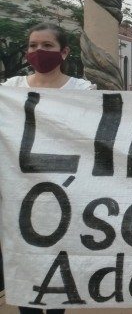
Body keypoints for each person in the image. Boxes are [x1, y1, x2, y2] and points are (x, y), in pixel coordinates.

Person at [1, 23, 95, 313]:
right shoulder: (9, 90)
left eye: (47, 46)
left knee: (58, 268)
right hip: (19, 192)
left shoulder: (82, 90)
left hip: (65, 191)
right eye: (32, 46)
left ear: (64, 52)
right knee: (26, 265)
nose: (38, 52)